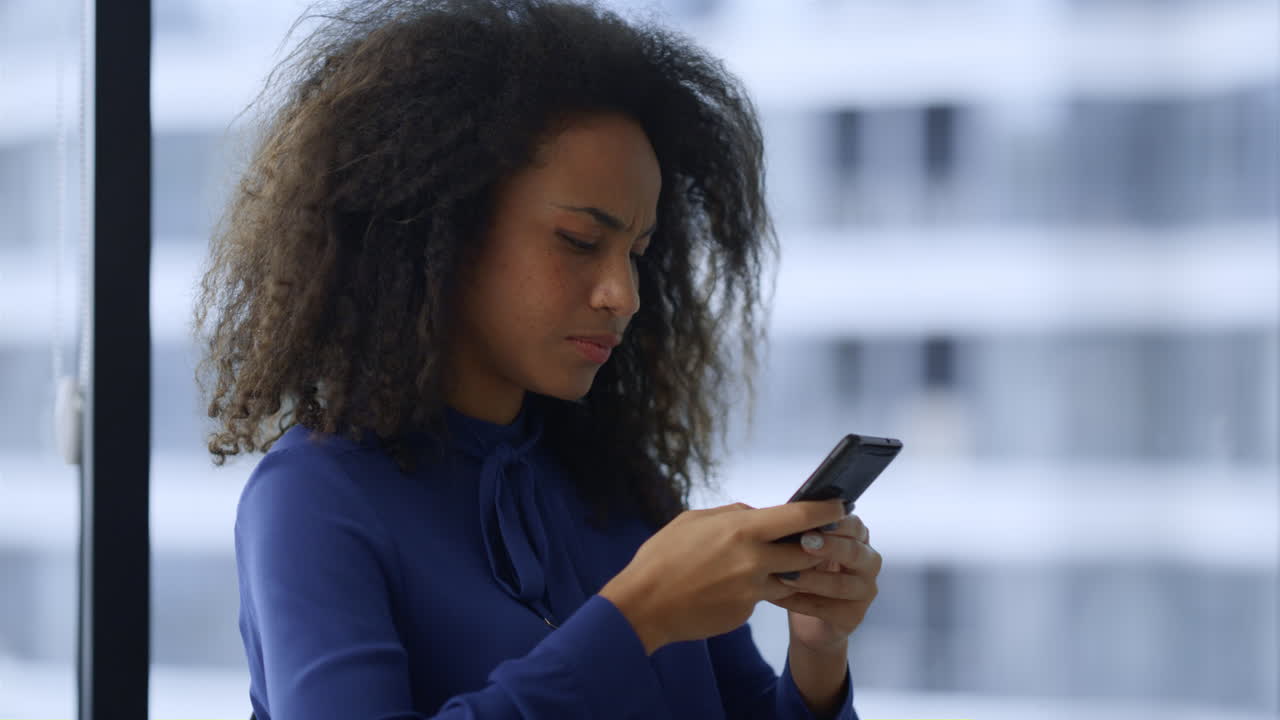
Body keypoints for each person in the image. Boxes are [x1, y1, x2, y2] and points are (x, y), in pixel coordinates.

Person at [192, 1, 882, 718]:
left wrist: (818, 656)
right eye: (581, 242)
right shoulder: (316, 498)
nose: (624, 295)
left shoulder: (619, 490)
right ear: (443, 229)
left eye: (639, 255)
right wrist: (636, 617)